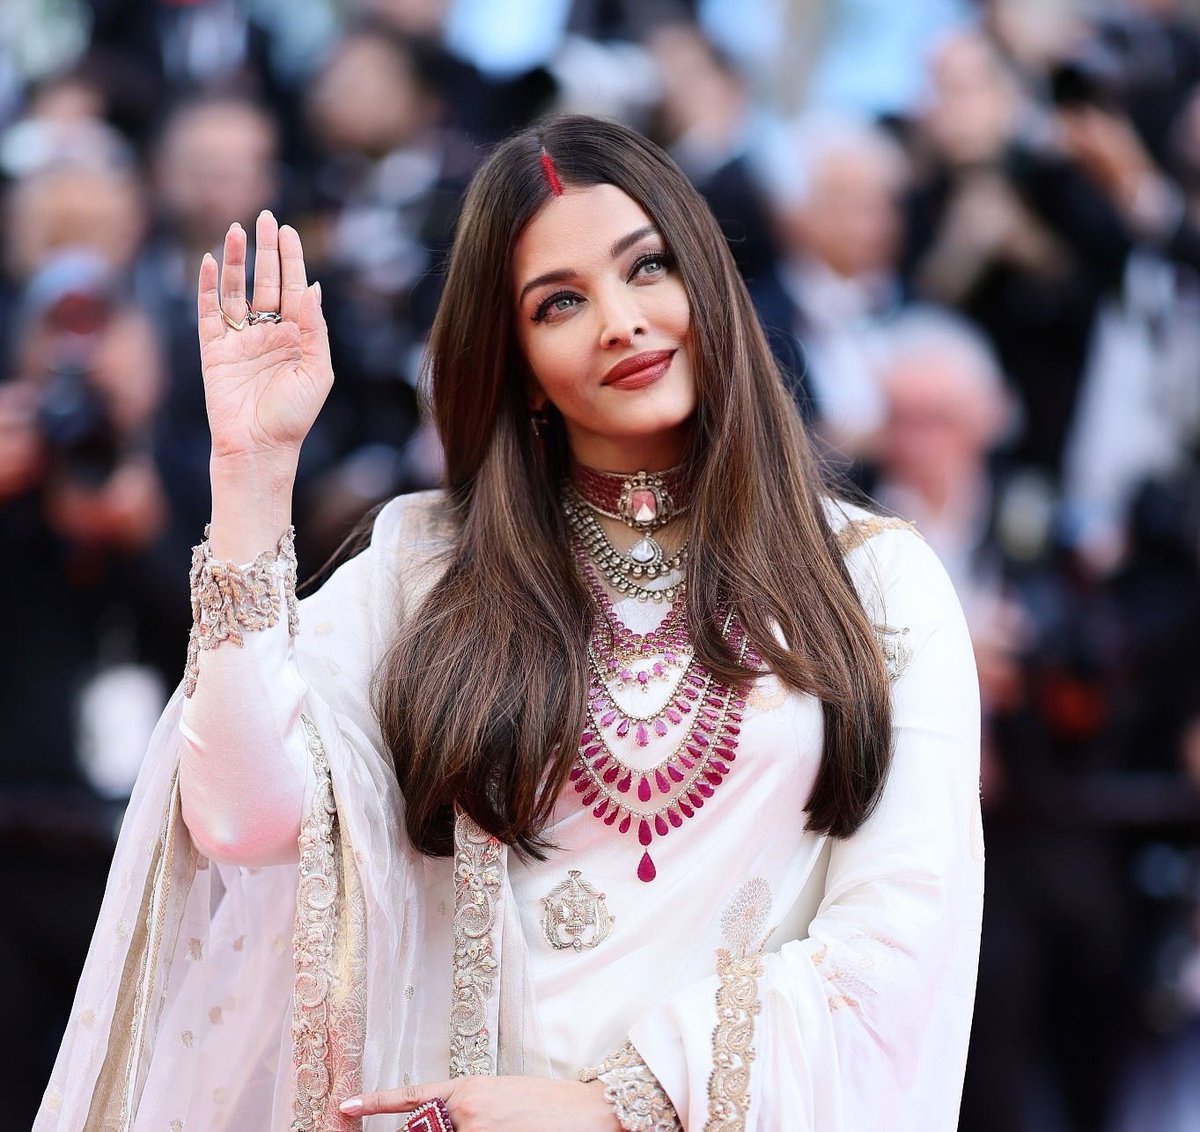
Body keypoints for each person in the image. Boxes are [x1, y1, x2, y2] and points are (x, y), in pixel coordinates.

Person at [36, 114, 983, 1131]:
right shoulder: (429, 569)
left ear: (707, 277)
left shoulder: (877, 582)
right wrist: (252, 478)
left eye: (647, 268)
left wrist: (609, 1109)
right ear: (521, 361)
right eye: (561, 301)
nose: (619, 320)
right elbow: (241, 819)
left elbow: (900, 936)